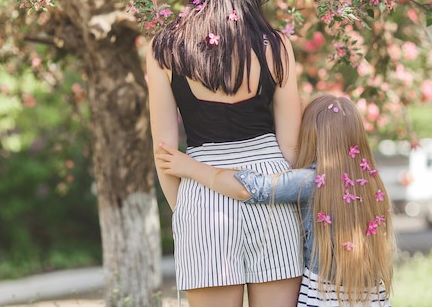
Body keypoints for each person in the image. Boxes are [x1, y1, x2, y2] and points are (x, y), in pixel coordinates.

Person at [146, 0, 303, 307]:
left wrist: (187, 207)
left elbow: (164, 152)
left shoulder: (165, 49)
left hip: (201, 195)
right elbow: (294, 149)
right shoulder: (276, 46)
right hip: (272, 195)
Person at [157, 94, 395, 307]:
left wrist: (191, 168)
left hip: (320, 298)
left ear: (311, 135)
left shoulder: (310, 181)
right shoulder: (371, 185)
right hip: (374, 297)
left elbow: (249, 189)